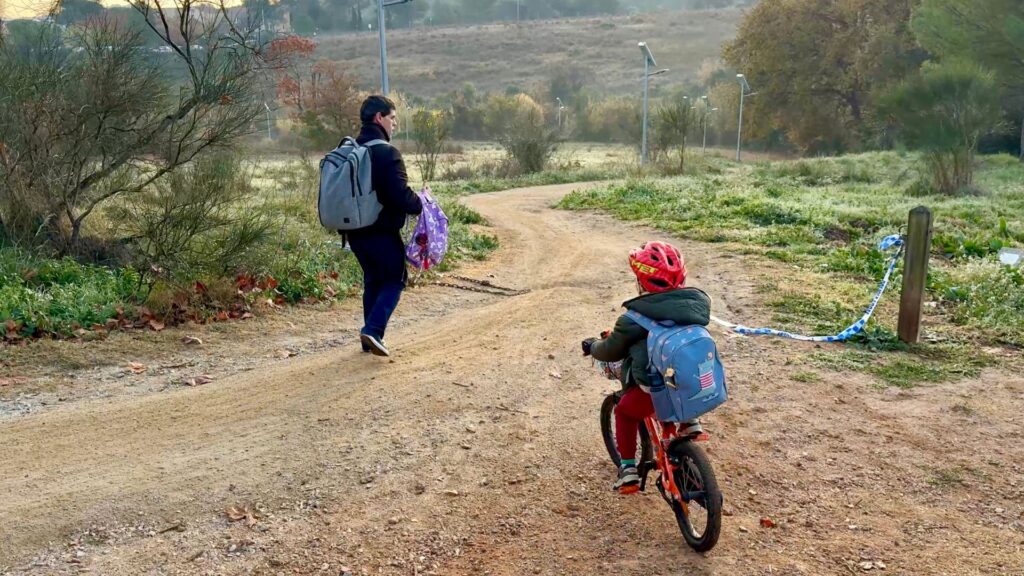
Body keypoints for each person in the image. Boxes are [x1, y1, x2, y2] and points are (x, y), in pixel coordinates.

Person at [581, 241, 712, 493]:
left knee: (625, 412)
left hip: (653, 389)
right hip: (694, 381)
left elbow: (611, 350)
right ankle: (690, 422)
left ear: (641, 282)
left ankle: (628, 470)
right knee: (678, 378)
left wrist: (593, 346)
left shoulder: (633, 319)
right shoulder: (697, 307)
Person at [347, 95, 423, 357]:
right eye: (392, 118)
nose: (395, 124)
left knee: (373, 280)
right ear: (379, 118)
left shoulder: (351, 150)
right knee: (395, 279)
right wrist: (420, 203)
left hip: (353, 232)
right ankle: (374, 330)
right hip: (381, 231)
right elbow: (399, 195)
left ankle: (368, 338)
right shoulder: (386, 152)